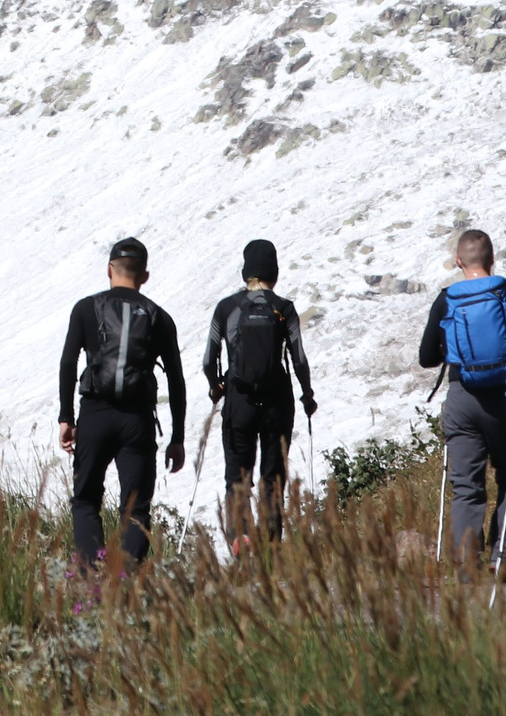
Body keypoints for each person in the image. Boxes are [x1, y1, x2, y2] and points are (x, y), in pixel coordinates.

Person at [57, 236, 188, 568]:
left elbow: (69, 363)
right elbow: (175, 381)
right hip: (137, 420)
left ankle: (92, 578)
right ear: (144, 276)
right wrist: (177, 438)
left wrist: (66, 417)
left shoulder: (86, 308)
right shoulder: (160, 318)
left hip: (95, 415)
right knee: (136, 510)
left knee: (86, 500)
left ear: (109, 270)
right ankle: (125, 579)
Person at [417, 228, 506, 571]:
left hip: (462, 399)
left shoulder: (447, 299)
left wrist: (450, 348)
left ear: (459, 261)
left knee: (466, 485)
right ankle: (502, 556)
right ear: (492, 259)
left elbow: (427, 357)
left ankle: (468, 562)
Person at [201, 238, 316, 546]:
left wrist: (216, 387)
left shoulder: (226, 308)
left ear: (246, 272)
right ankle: (270, 548)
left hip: (239, 401)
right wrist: (307, 394)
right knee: (273, 477)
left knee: (237, 478)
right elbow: (299, 358)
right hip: (277, 401)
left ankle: (240, 540)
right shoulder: (284, 309)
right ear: (274, 273)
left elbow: (208, 359)